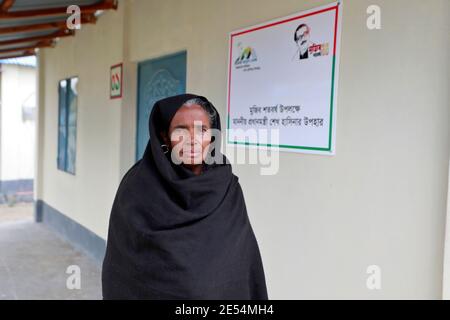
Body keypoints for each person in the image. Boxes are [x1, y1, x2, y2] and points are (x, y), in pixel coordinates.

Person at [102, 93, 268, 299]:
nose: (192, 140)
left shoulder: (226, 187)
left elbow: (242, 263)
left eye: (202, 130)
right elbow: (121, 270)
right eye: (181, 130)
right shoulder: (137, 187)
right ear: (165, 136)